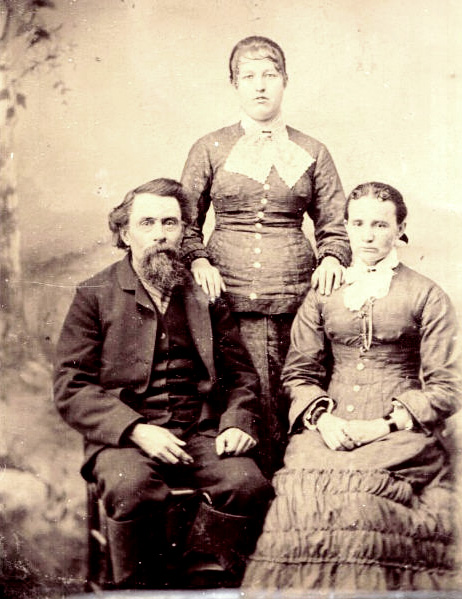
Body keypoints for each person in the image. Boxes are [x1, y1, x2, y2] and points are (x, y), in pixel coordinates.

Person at [53, 178, 273, 590]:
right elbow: (71, 384)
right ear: (125, 233)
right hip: (125, 438)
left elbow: (241, 375)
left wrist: (236, 422)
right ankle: (141, 586)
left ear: (183, 230)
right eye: (147, 223)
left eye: (170, 223)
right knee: (132, 487)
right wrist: (135, 429)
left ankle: (202, 575)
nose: (160, 234)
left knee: (247, 485)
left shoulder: (205, 293)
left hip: (200, 431)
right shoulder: (94, 294)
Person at [243, 182, 461, 591]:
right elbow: (299, 373)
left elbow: (447, 387)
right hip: (331, 427)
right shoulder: (324, 292)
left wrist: (382, 426)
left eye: (380, 224)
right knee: (299, 499)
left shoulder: (426, 294)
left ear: (400, 229)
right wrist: (323, 421)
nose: (368, 235)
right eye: (358, 223)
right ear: (345, 227)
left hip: (398, 432)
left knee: (360, 503)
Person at [180, 36, 351, 475]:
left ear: (285, 80)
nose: (260, 86)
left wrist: (332, 258)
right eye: (249, 76)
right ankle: (244, 499)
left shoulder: (313, 150)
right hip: (225, 299)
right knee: (239, 399)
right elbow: (184, 222)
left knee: (294, 392)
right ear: (234, 84)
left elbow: (335, 224)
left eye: (270, 75)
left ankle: (291, 500)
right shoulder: (209, 148)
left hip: (297, 298)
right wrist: (198, 259)